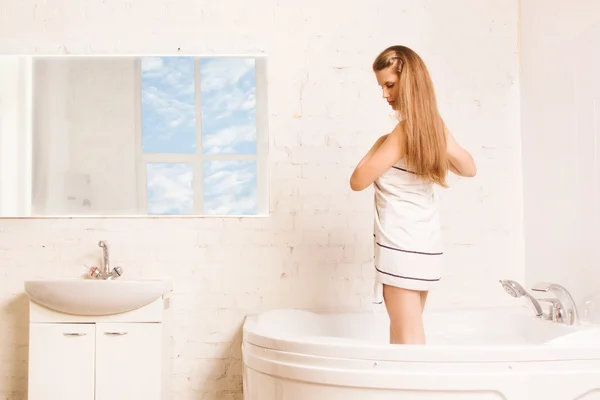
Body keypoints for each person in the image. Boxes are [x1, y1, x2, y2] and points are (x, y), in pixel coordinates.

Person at [350, 45, 477, 345]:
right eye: (381, 86)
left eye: (389, 84)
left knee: (408, 341)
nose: (384, 94)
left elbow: (358, 180)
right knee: (404, 335)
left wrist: (380, 143)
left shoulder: (400, 134)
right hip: (425, 246)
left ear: (409, 82)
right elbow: (468, 168)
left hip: (400, 248)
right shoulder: (434, 130)